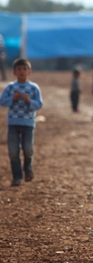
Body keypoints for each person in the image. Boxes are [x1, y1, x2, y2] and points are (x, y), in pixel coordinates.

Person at [0, 58, 43, 186]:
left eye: (24, 69)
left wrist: (29, 101)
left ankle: (28, 169)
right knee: (13, 152)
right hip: (13, 123)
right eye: (19, 69)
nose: (22, 71)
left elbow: (39, 104)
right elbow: (2, 101)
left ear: (29, 71)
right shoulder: (11, 87)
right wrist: (13, 99)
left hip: (28, 124)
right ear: (14, 72)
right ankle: (17, 176)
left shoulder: (34, 88)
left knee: (28, 149)